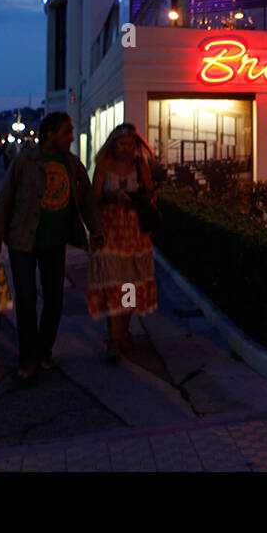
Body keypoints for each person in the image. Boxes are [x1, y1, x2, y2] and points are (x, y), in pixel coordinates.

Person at [0, 111, 105, 382]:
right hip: (22, 242)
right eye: (67, 131)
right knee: (26, 298)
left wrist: (97, 229)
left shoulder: (73, 165)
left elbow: (87, 202)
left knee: (54, 300)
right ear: (50, 134)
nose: (72, 137)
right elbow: (4, 202)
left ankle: (44, 349)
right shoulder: (24, 161)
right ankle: (28, 358)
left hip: (55, 242)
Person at [89, 122, 159, 362]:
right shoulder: (104, 165)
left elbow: (151, 193)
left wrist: (141, 197)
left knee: (129, 284)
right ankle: (113, 338)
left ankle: (123, 332)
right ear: (113, 144)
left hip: (134, 231)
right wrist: (112, 196)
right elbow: (94, 196)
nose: (126, 148)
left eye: (130, 143)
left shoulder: (140, 165)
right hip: (111, 230)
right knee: (111, 283)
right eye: (122, 143)